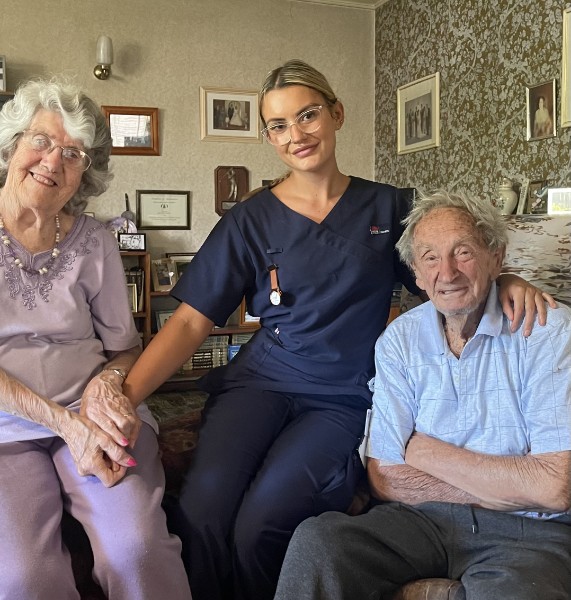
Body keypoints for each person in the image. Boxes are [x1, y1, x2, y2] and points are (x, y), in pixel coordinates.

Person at [123, 60, 553, 600]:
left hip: (343, 393)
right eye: (278, 125)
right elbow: (189, 320)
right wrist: (123, 400)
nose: (295, 135)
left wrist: (506, 276)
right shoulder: (249, 220)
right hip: (262, 381)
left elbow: (444, 276)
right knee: (203, 509)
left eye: (307, 115)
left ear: (336, 114)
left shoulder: (391, 207)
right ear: (268, 137)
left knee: (264, 522)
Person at [273, 190, 571, 600]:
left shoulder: (545, 330)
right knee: (320, 541)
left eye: (462, 252)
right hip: (419, 522)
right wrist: (511, 489)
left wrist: (425, 453)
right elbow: (384, 476)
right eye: (430, 257)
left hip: (529, 534)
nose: (446, 273)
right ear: (415, 272)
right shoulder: (400, 339)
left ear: (496, 257)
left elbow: (555, 487)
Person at [0, 78, 191, 600]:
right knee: (22, 579)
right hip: (5, 431)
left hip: (97, 415)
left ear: (86, 172)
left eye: (73, 153)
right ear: (13, 143)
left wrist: (107, 385)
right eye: (40, 140)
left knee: (138, 550)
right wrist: (65, 424)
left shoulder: (96, 241)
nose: (52, 161)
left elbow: (124, 347)